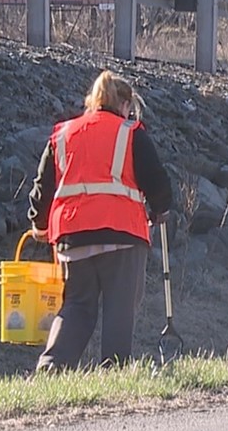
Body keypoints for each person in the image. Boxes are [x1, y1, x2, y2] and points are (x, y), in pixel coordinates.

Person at [28, 70, 172, 372]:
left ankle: (52, 366)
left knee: (77, 306)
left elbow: (43, 186)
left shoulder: (63, 134)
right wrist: (160, 209)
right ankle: (113, 371)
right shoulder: (131, 133)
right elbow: (157, 181)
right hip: (122, 235)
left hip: (72, 236)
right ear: (124, 105)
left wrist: (39, 225)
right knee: (120, 309)